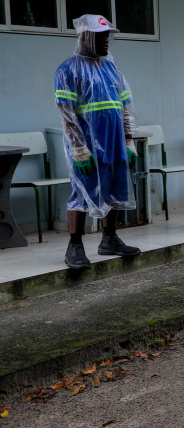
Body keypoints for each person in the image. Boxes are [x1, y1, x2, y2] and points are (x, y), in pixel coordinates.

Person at [55, 14, 141, 270]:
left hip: (114, 142)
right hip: (87, 146)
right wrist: (79, 149)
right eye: (101, 35)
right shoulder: (67, 70)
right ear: (85, 36)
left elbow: (126, 107)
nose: (106, 41)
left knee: (115, 188)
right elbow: (67, 114)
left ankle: (110, 239)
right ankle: (75, 246)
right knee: (83, 190)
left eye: (107, 36)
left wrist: (129, 140)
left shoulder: (111, 67)